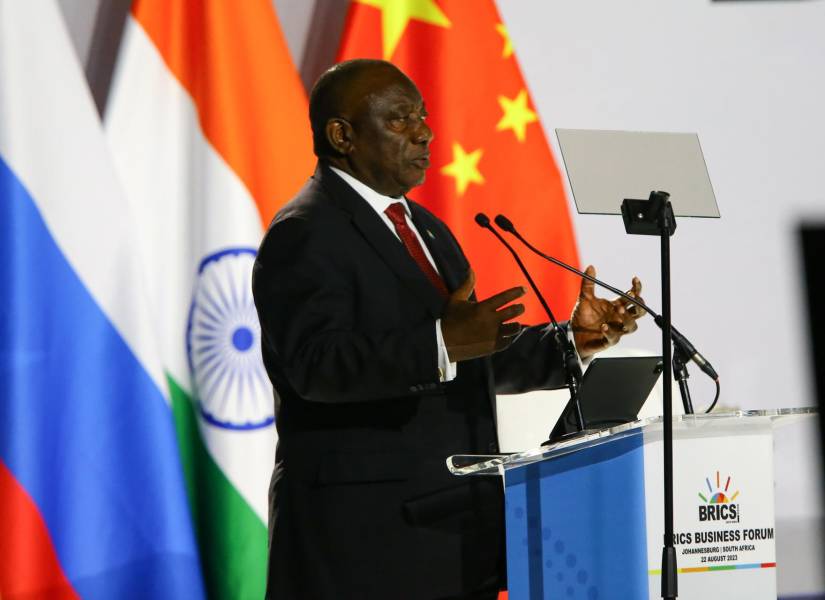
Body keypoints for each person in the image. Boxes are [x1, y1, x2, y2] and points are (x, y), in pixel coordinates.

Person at [252, 58, 643, 600]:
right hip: (361, 541)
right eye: (400, 119)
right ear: (342, 136)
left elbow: (471, 353)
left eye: (423, 116)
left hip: (455, 529)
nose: (424, 133)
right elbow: (314, 367)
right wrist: (438, 343)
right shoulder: (304, 232)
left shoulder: (426, 229)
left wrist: (571, 342)